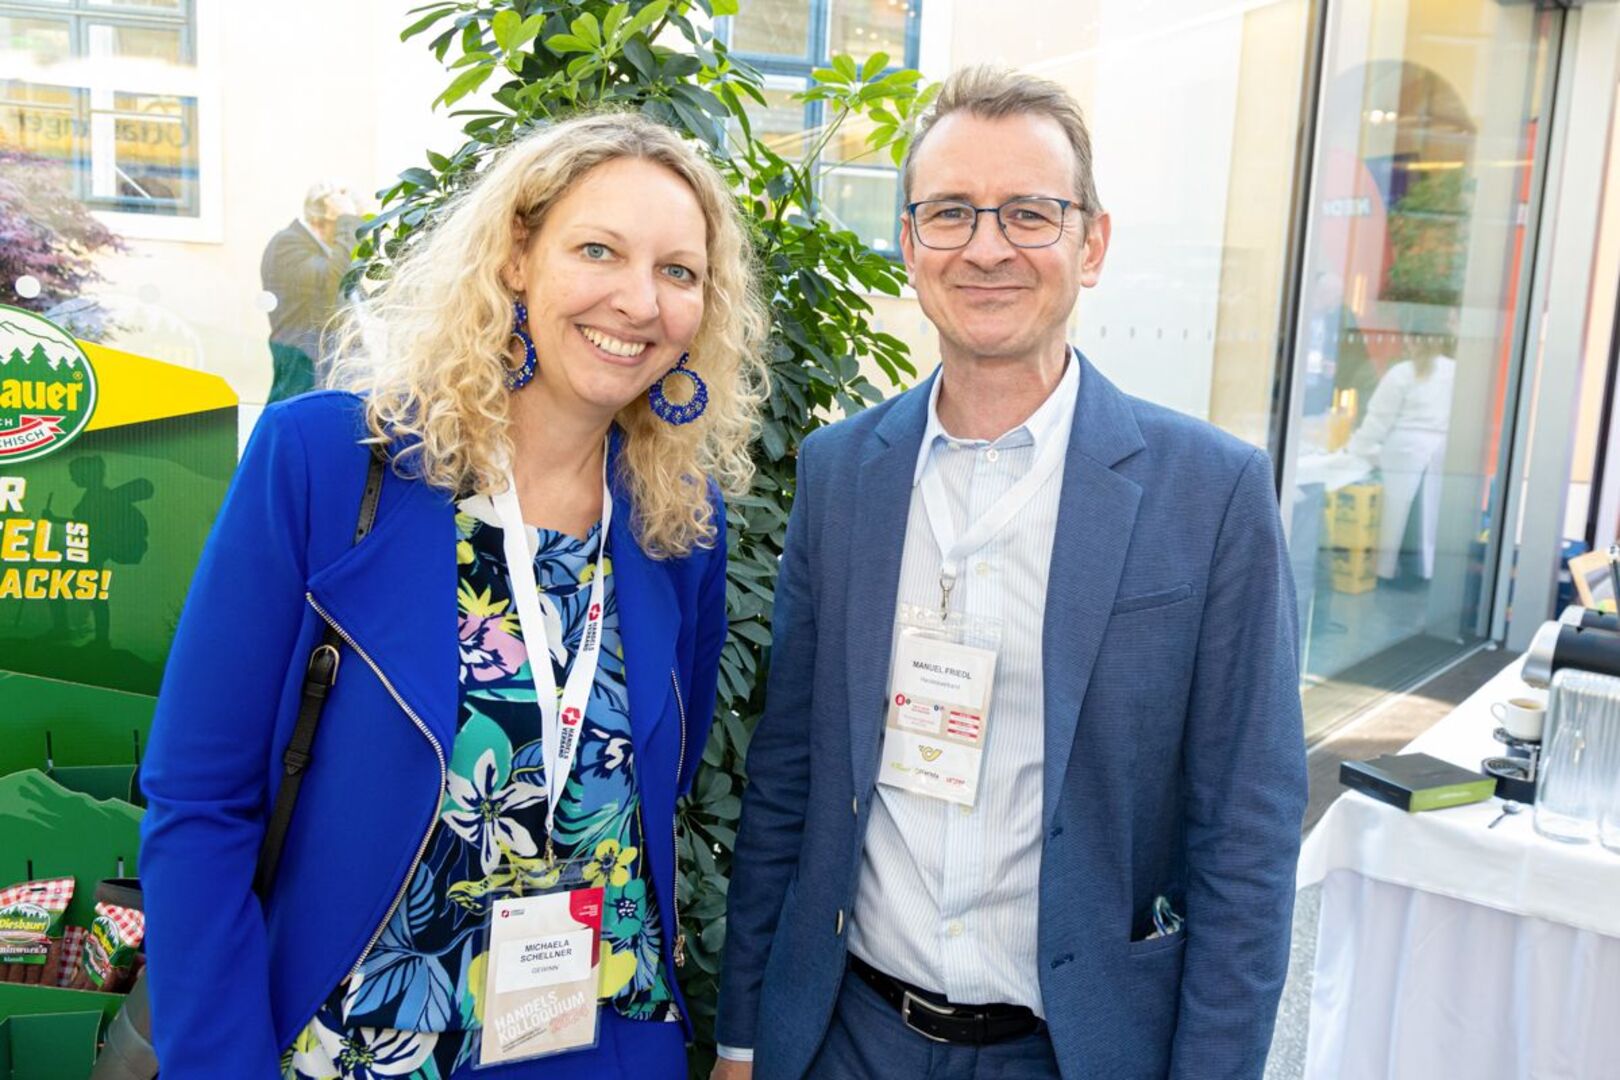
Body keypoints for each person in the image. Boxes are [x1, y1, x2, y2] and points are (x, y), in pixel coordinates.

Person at [140, 112, 768, 1080]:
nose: (639, 301)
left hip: (600, 1041)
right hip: (359, 1047)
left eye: (678, 272)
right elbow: (200, 803)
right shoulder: (329, 464)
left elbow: (661, 782)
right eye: (598, 250)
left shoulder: (678, 519)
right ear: (516, 255)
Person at [715, 66, 1306, 1080]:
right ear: (910, 245)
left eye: (1029, 213)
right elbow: (789, 779)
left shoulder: (1211, 495)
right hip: (850, 1038)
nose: (986, 248)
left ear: (1092, 244)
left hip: (1075, 1050)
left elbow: (1246, 837)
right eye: (951, 213)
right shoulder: (841, 475)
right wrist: (742, 1038)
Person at [1343, 335, 1456, 584]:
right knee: (1429, 518)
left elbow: (1378, 420)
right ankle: (1424, 573)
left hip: (1404, 451)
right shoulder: (1455, 371)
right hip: (1440, 451)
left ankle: (1389, 572)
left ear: (1411, 342)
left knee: (1395, 519)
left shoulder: (1403, 372)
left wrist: (1355, 448)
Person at [260, 180, 359, 402]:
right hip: (302, 361)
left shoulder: (321, 248)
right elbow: (338, 282)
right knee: (291, 417)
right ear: (318, 222)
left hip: (319, 360)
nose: (352, 234)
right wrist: (347, 220)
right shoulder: (286, 244)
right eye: (343, 224)